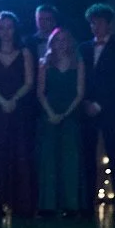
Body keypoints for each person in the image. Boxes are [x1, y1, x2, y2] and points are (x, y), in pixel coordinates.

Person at [0, 9, 34, 216]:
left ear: (15, 30)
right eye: (1, 28)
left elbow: (29, 82)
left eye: (9, 28)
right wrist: (2, 101)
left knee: (18, 154)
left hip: (18, 110)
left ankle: (20, 204)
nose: (5, 32)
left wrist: (13, 100)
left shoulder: (25, 52)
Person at [80, 3, 115, 215]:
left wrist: (99, 104)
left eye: (99, 22)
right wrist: (85, 102)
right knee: (87, 156)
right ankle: (86, 202)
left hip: (110, 110)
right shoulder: (83, 48)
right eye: (92, 23)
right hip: (86, 109)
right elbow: (79, 79)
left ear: (108, 24)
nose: (95, 27)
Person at [37, 25, 85, 214]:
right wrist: (51, 114)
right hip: (49, 113)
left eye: (64, 40)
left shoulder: (78, 63)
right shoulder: (44, 63)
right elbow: (40, 92)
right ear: (52, 43)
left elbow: (79, 93)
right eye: (57, 40)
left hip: (70, 114)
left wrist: (65, 114)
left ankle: (70, 205)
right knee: (48, 159)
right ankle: (48, 204)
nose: (61, 44)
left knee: (70, 159)